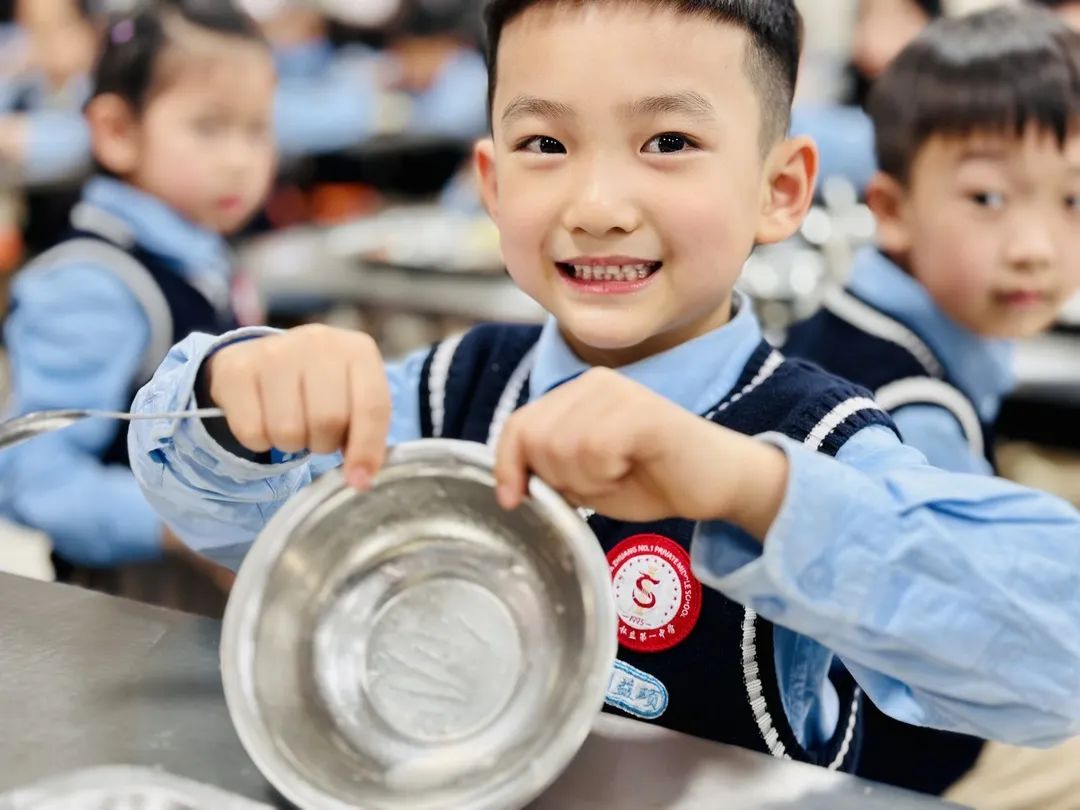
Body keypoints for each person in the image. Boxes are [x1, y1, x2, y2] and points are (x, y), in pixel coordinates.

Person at [130, 0, 1080, 771]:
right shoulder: (446, 391)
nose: (597, 208)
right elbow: (219, 507)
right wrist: (236, 397)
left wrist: (748, 487)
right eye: (547, 145)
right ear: (492, 184)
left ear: (779, 190)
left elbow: (1055, 652)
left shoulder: (825, 439)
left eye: (667, 142)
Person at [784, 5, 1080, 794]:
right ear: (891, 211)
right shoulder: (914, 413)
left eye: (1073, 201)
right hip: (869, 761)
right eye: (988, 199)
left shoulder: (854, 315)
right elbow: (978, 638)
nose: (1036, 246)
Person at [0, 0, 276, 573]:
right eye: (209, 126)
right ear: (117, 131)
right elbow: (35, 478)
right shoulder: (90, 286)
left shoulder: (202, 249)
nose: (240, 160)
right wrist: (191, 524)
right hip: (127, 605)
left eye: (257, 129)